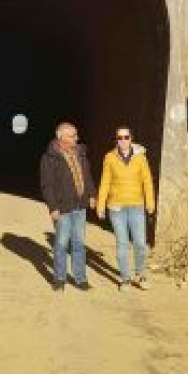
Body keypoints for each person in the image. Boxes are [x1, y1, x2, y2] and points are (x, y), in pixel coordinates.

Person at [97, 126, 155, 292]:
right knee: (122, 243)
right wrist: (101, 205)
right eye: (119, 138)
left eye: (126, 137)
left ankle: (141, 275)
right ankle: (125, 279)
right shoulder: (109, 158)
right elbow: (105, 182)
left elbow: (147, 181)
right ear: (116, 140)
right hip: (116, 208)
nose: (123, 140)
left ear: (131, 138)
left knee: (140, 243)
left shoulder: (140, 158)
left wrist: (150, 203)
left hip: (137, 206)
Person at [40, 121, 96, 292]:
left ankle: (80, 279)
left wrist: (92, 194)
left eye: (76, 135)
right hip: (62, 208)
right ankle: (59, 278)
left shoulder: (80, 153)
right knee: (62, 244)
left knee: (79, 244)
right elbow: (47, 185)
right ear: (61, 137)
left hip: (80, 206)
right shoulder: (50, 157)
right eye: (73, 136)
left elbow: (87, 175)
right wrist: (52, 207)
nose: (76, 138)